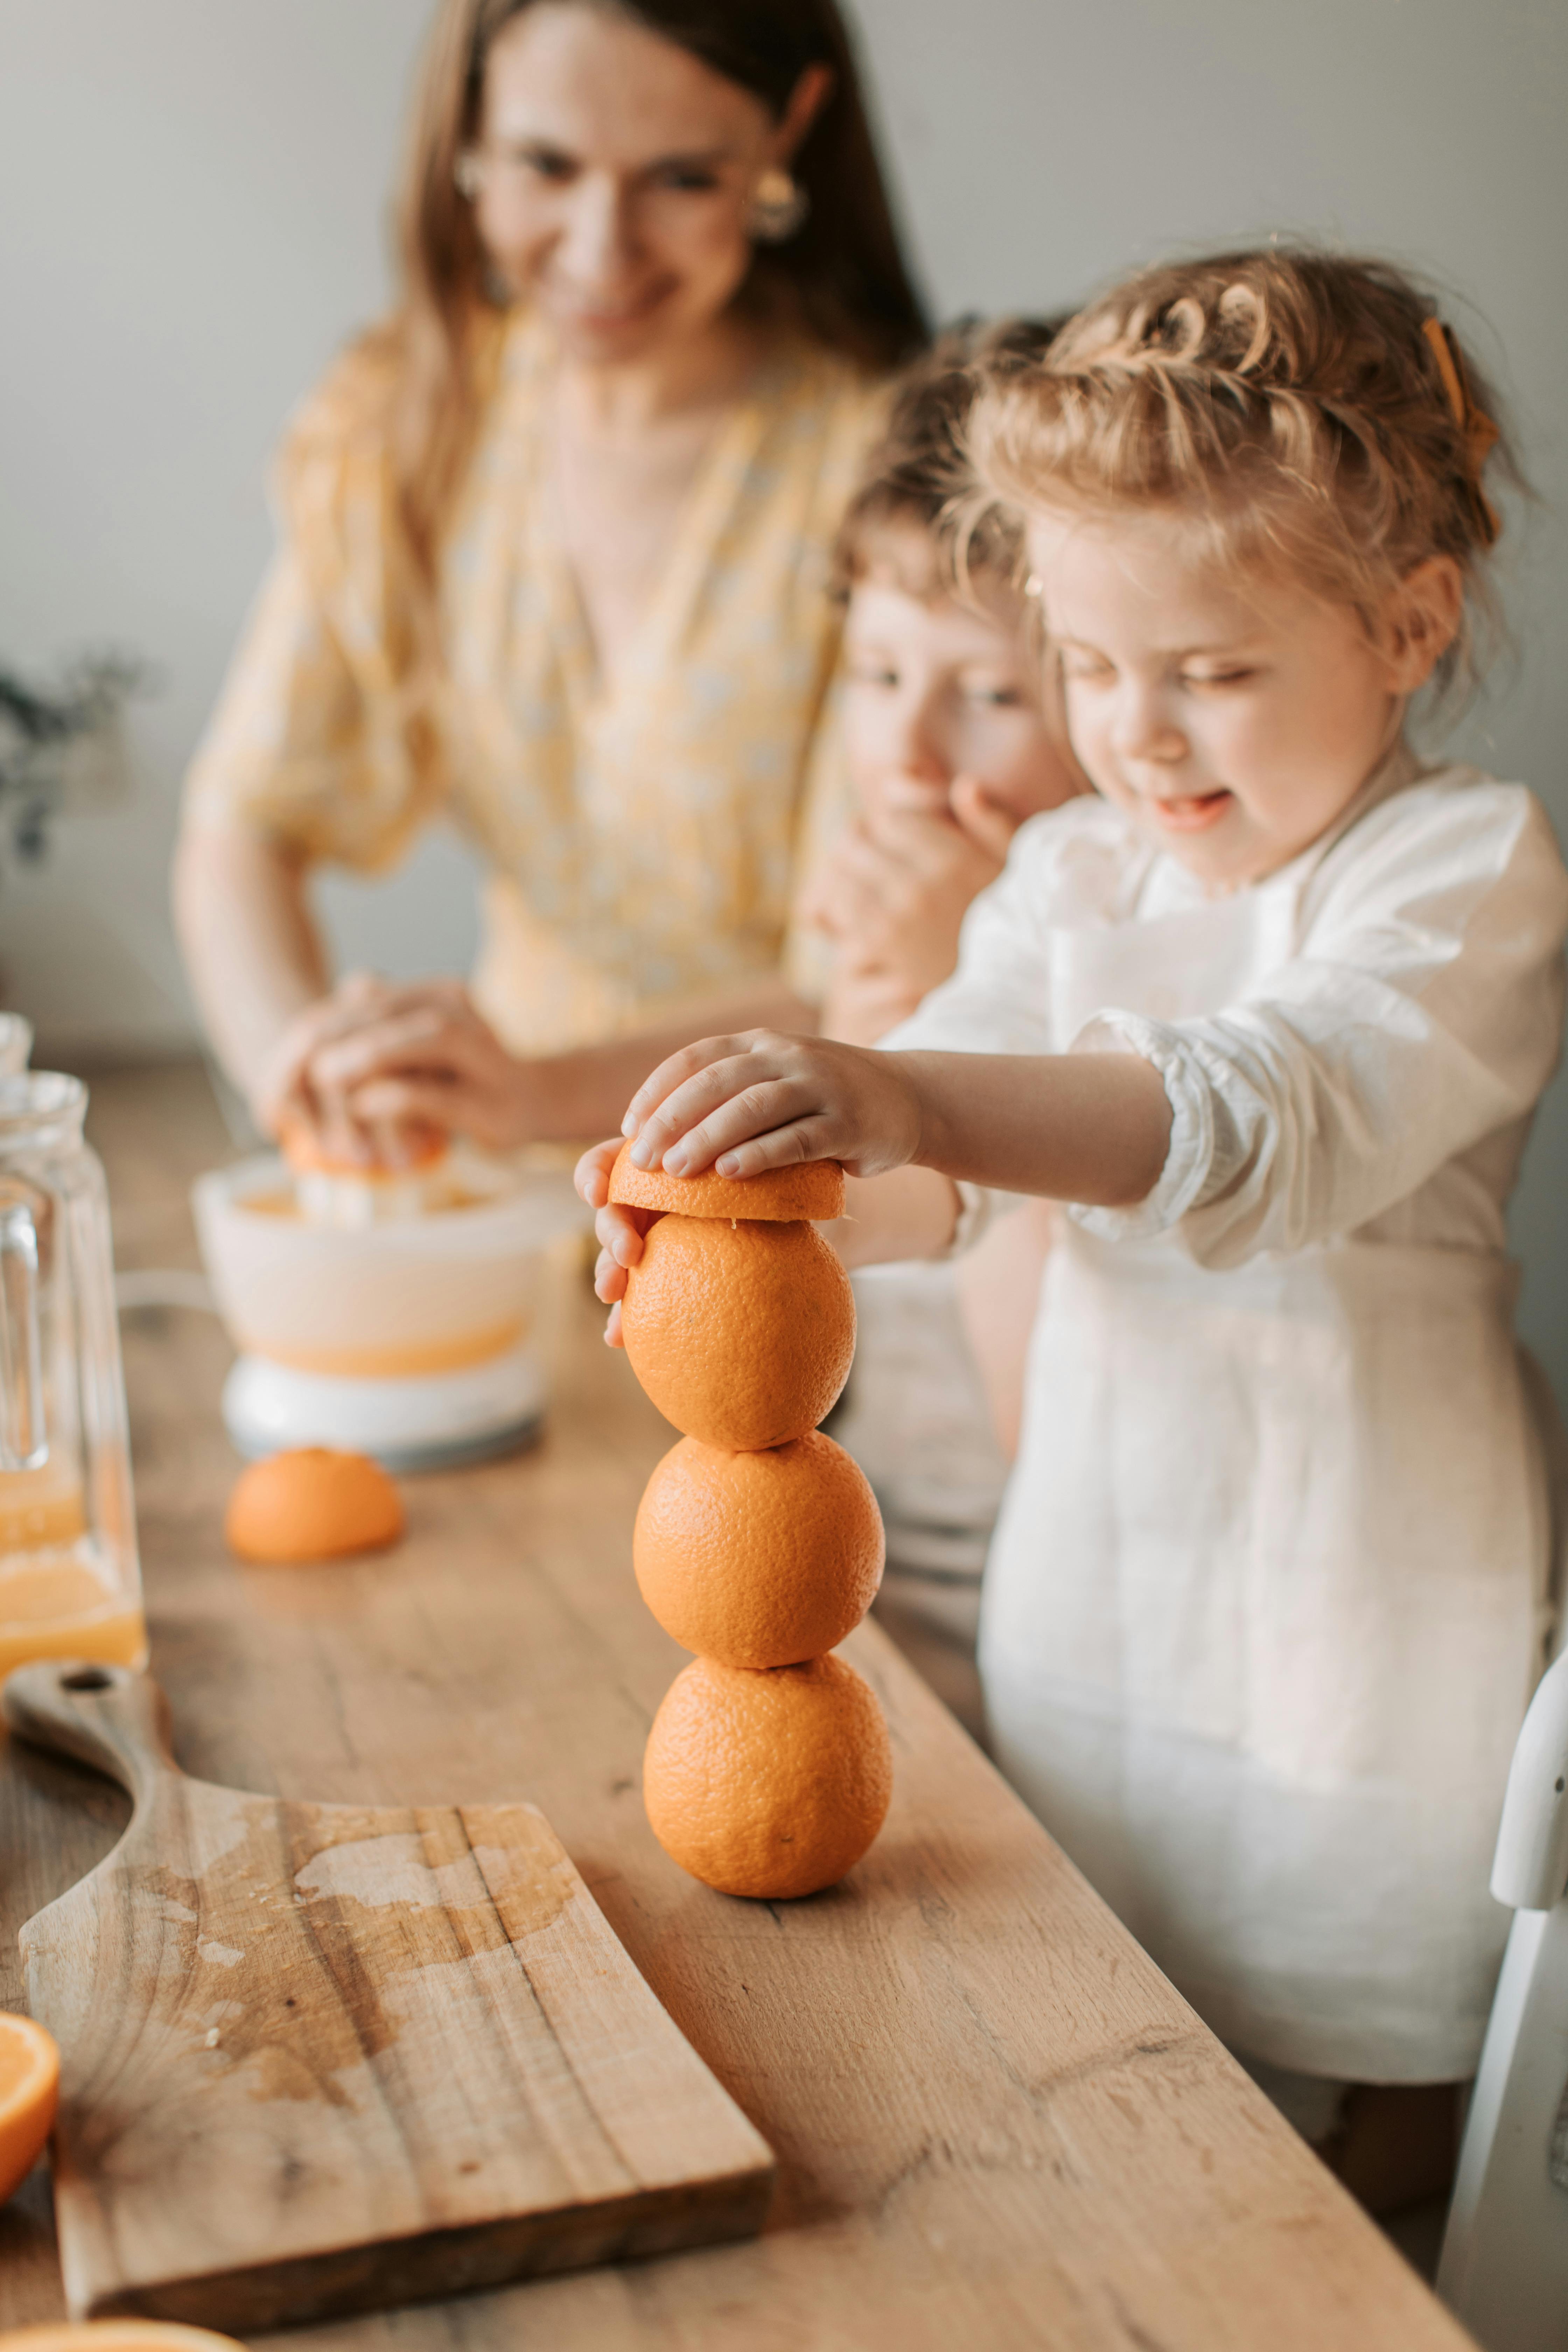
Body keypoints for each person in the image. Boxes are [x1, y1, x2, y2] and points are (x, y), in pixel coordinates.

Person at [581, 248, 1568, 2210]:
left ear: (1407, 621)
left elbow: (1251, 1118)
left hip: (1356, 1662)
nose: (1142, 736)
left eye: (1212, 672)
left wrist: (915, 1091)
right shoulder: (1067, 865)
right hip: (1098, 1623)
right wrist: (732, 1196)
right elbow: (928, 1175)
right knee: (1106, 2129)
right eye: (1094, 669)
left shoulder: (1470, 873)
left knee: (1332, 2186)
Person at [174, 0, 925, 1160]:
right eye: (545, 164)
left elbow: (872, 978)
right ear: (467, 129)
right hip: (505, 1181)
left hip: (804, 1191)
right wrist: (304, 1068)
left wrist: (539, 1093)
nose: (598, 250)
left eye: (680, 178)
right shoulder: (409, 426)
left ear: (792, 128)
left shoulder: (896, 478)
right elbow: (244, 823)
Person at [800, 322, 1082, 1726]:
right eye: (877, 675)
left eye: (986, 695)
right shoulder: (887, 893)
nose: (906, 757)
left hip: (1041, 1641)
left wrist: (951, 1021)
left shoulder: (1121, 988)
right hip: (867, 1589)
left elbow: (1047, 1430)